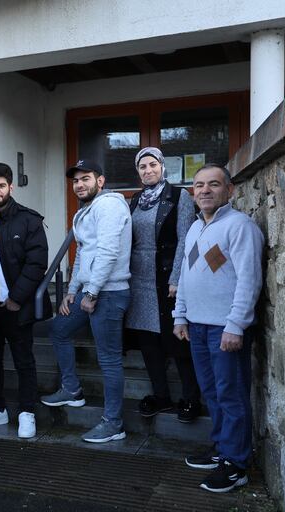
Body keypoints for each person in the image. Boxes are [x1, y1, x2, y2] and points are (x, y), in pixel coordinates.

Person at [174, 164, 263, 493]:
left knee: (231, 395)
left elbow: (248, 280)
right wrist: (180, 316)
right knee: (212, 393)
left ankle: (236, 464)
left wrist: (236, 325)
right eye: (199, 185)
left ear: (230, 190)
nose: (205, 190)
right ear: (193, 192)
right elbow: (187, 277)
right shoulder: (196, 229)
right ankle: (223, 450)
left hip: (225, 329)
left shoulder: (240, 226)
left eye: (214, 184)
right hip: (197, 327)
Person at [40, 159, 131, 444]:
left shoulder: (109, 206)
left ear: (100, 181)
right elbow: (83, 253)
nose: (80, 185)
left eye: (86, 179)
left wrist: (90, 294)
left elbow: (107, 252)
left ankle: (114, 423)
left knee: (109, 359)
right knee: (59, 329)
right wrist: (73, 289)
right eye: (76, 181)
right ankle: (71, 389)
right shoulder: (83, 213)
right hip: (91, 289)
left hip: (110, 292)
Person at [0, 163, 52, 439]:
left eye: (0, 186)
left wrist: (17, 298)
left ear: (11, 187)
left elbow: (37, 262)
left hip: (16, 306)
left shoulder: (29, 220)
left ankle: (27, 412)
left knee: (23, 360)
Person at [124, 147, 202, 422]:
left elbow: (186, 238)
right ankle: (161, 396)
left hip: (167, 279)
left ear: (162, 167)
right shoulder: (134, 201)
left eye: (152, 165)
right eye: (142, 167)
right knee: (149, 343)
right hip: (139, 281)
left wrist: (176, 278)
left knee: (178, 342)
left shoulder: (178, 196)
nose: (148, 171)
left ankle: (191, 399)